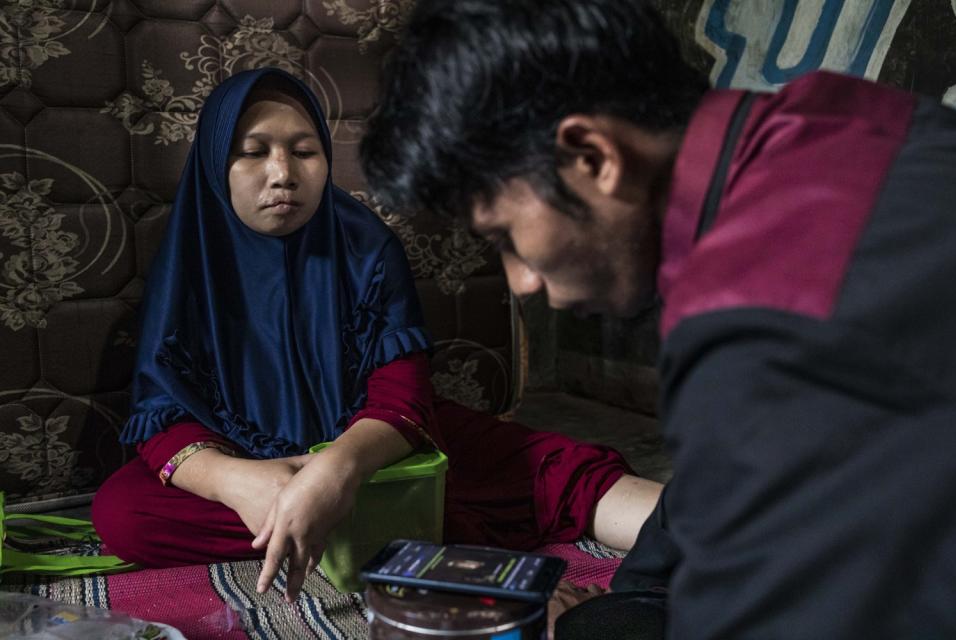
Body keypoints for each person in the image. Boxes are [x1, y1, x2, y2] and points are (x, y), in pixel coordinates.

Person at [359, 0, 956, 638]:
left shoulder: (753, 321)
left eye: (506, 236)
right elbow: (715, 498)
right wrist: (623, 602)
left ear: (592, 157)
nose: (524, 283)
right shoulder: (822, 118)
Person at [91, 67, 664, 605]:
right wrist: (239, 482)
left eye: (305, 151)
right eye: (254, 152)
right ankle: (374, 521)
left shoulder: (368, 249)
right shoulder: (188, 263)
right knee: (124, 513)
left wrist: (337, 471)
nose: (283, 173)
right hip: (255, 463)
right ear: (217, 163)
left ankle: (728, 535)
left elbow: (403, 398)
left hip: (376, 452)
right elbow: (161, 413)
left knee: (549, 470)